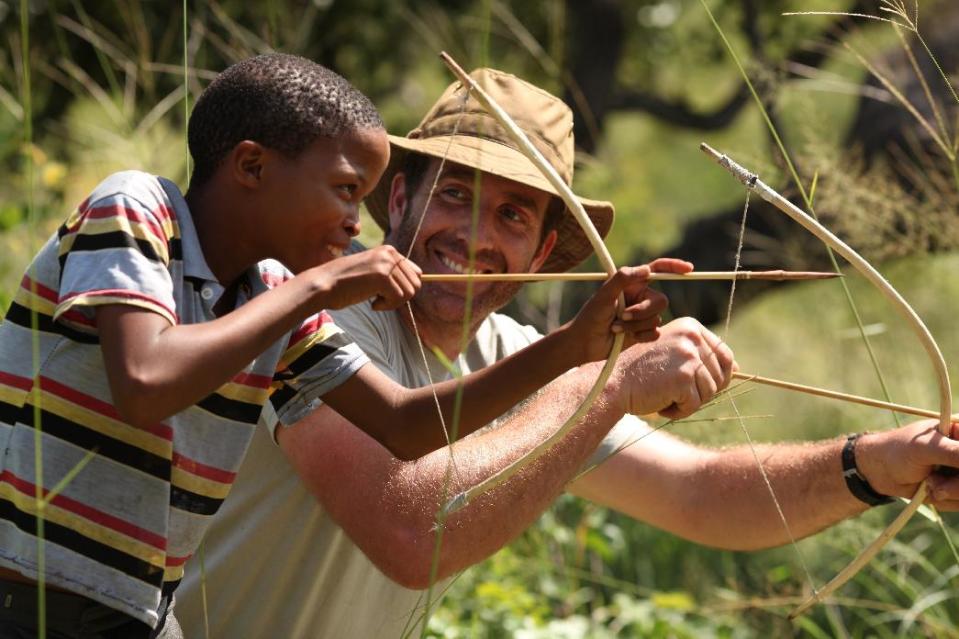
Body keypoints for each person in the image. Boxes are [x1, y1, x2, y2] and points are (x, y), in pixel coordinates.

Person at [178, 68, 959, 638]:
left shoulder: (515, 353)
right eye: (453, 193)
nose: (475, 236)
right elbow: (410, 533)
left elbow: (697, 493)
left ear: (547, 245)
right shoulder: (316, 307)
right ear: (400, 199)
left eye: (512, 214)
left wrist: (876, 462)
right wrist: (608, 384)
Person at [0, 55, 661, 639]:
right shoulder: (137, 207)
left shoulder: (271, 297)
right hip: (26, 597)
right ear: (252, 165)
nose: (356, 221)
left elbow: (405, 424)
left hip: (133, 613)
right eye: (347, 189)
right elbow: (144, 380)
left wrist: (573, 347)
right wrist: (318, 285)